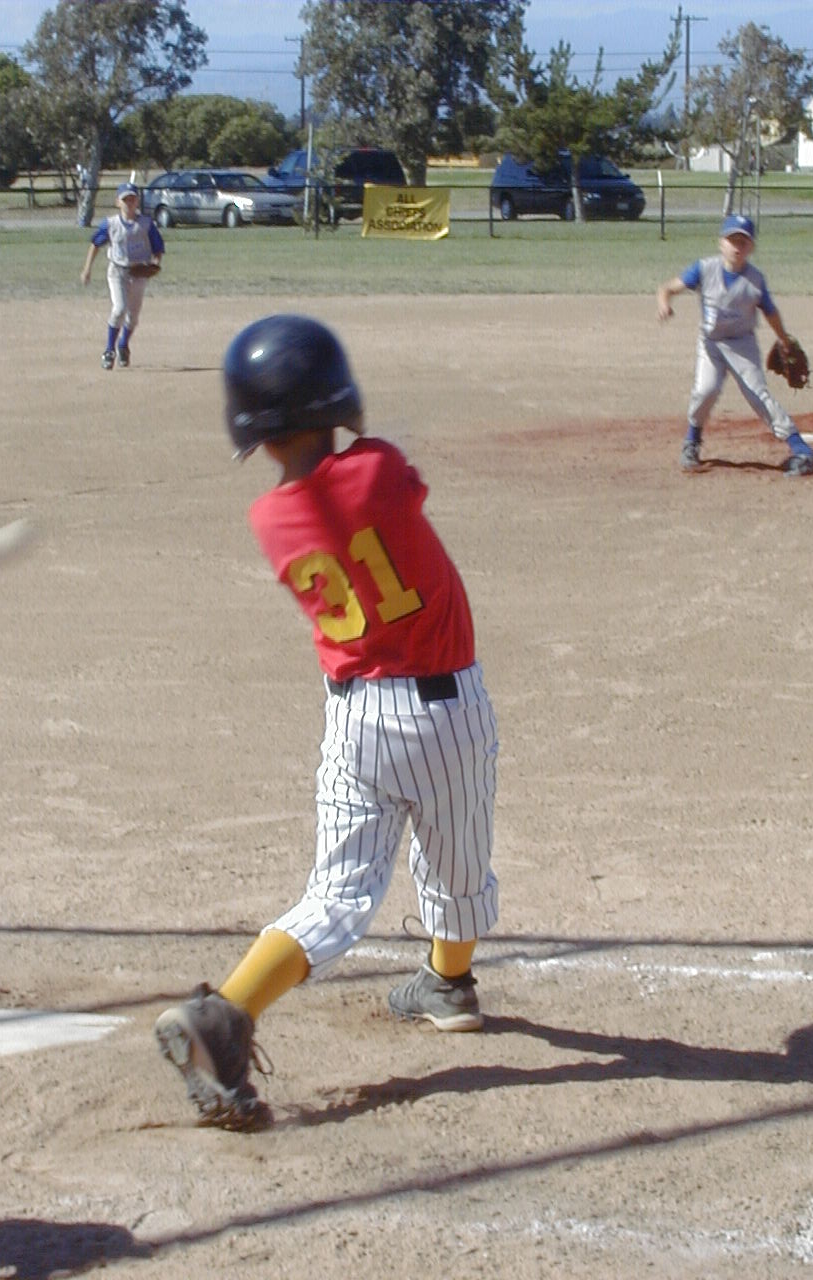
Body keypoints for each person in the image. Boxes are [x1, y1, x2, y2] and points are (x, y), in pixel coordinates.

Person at [155, 314, 500, 1131]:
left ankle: (228, 1010)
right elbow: (392, 479)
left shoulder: (269, 520)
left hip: (355, 720)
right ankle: (449, 982)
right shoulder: (378, 468)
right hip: (444, 712)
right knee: (456, 865)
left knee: (338, 894)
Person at [656, 213, 813, 476]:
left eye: (743, 242)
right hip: (711, 344)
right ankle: (692, 441)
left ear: (751, 247)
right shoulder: (704, 268)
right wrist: (664, 304)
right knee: (705, 391)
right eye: (732, 240)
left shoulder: (755, 279)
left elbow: (770, 312)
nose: (737, 246)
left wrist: (783, 338)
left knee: (758, 395)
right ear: (721, 242)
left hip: (742, 345)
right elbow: (667, 288)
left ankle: (800, 449)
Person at [80, 182, 164, 370]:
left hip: (139, 272)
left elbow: (158, 248)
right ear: (118, 202)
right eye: (125, 199)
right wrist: (87, 269)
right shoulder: (110, 224)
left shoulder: (146, 224)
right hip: (117, 271)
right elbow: (95, 244)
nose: (129, 203)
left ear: (137, 201)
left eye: (132, 199)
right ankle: (109, 350)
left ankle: (123, 344)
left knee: (133, 317)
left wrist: (155, 264)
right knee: (119, 309)